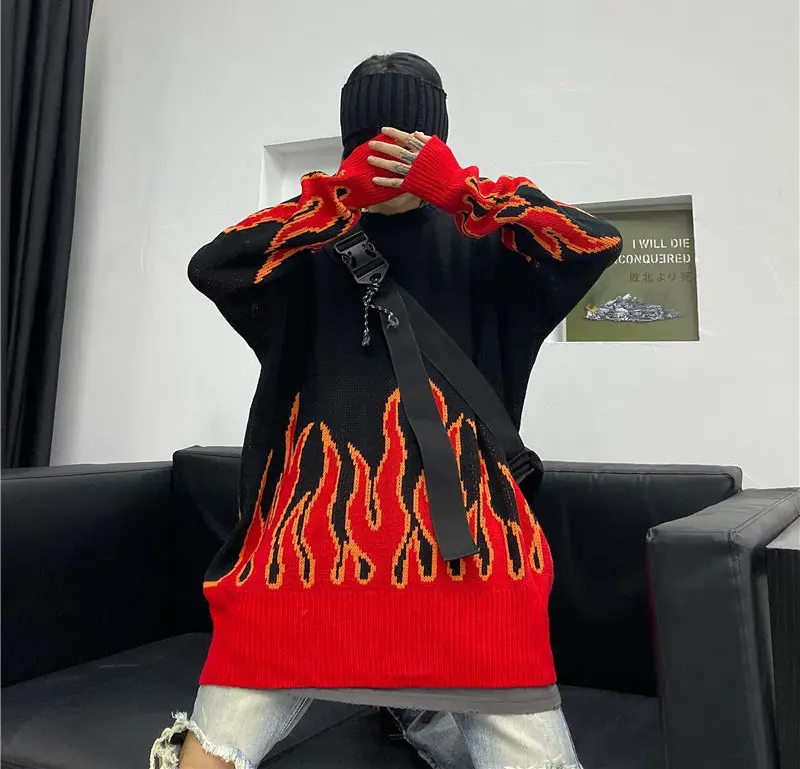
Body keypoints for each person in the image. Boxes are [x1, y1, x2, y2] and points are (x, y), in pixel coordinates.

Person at [151, 52, 622, 769]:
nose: (391, 156)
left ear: (437, 142)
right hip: (301, 556)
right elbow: (211, 265)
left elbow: (595, 243)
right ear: (349, 144)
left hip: (474, 557)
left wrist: (464, 193)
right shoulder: (310, 243)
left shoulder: (485, 240)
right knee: (209, 752)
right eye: (373, 142)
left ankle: (418, 712)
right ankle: (418, 713)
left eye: (410, 142)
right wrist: (335, 199)